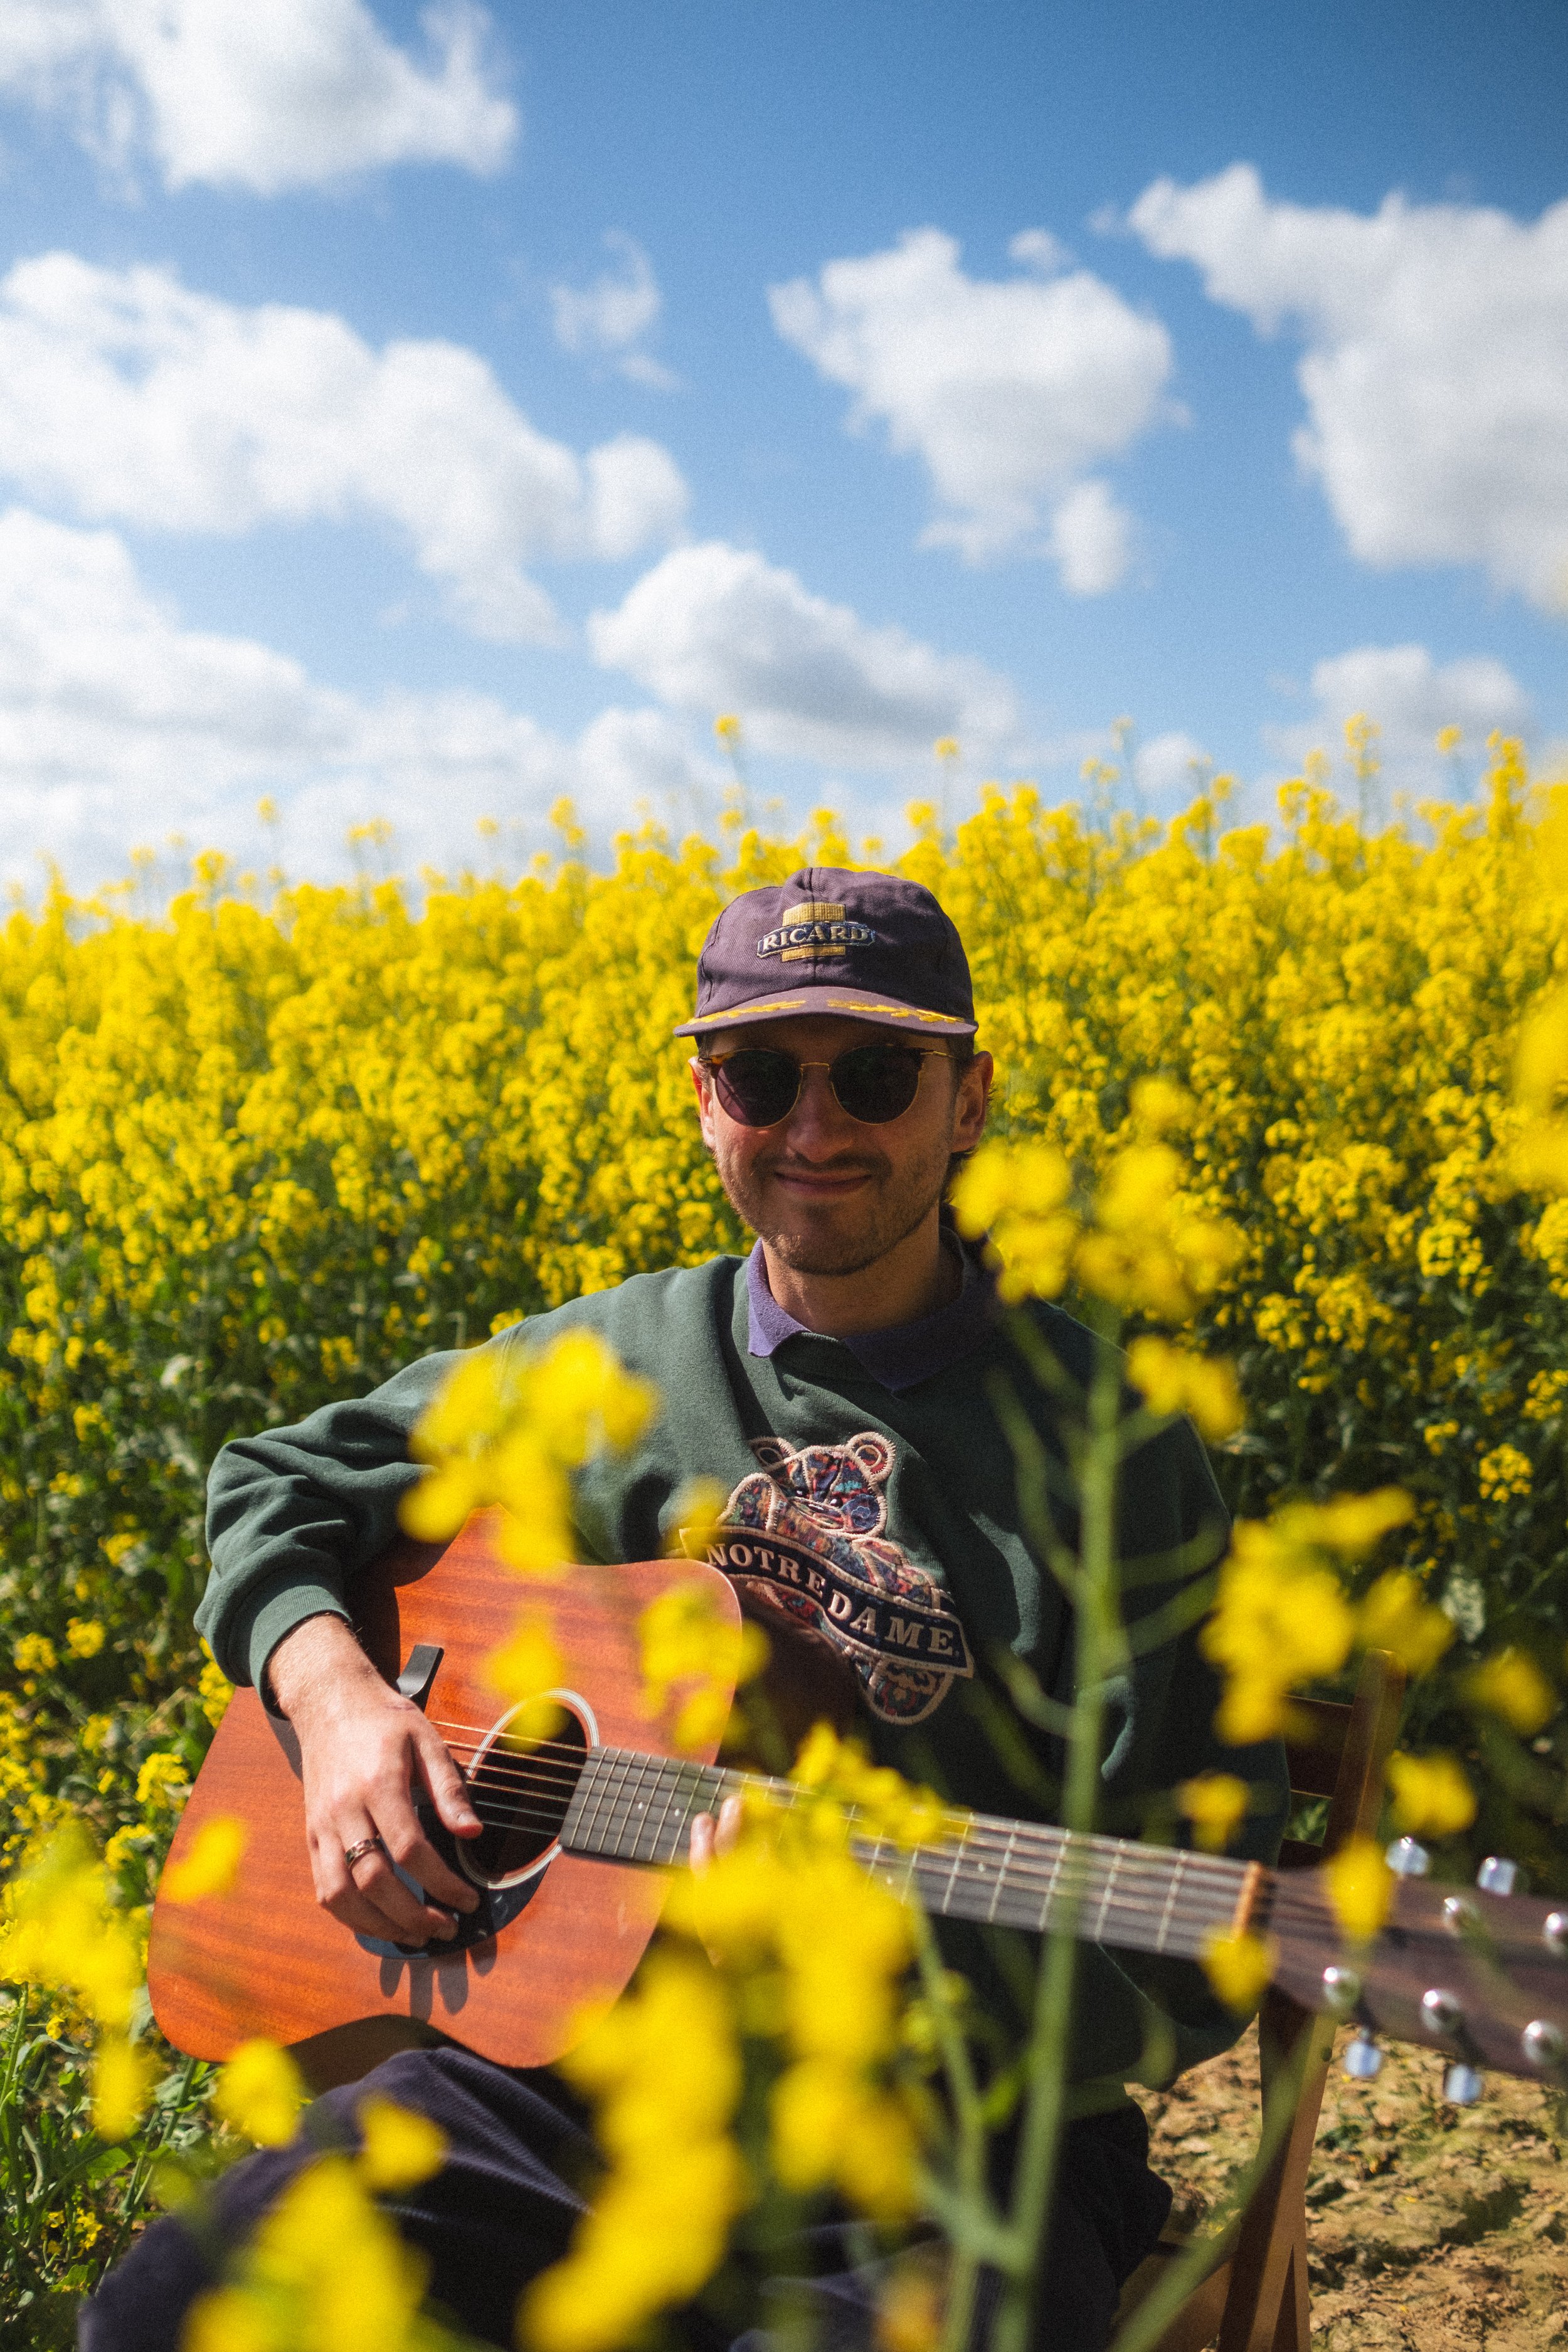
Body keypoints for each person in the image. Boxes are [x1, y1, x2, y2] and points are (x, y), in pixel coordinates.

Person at [83, 869, 1286, 2351]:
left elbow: (1192, 1930)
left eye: (875, 1076)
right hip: (569, 2080)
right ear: (704, 1100)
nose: (814, 1128)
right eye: (760, 1074)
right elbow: (279, 1481)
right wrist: (336, 1704)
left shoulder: (1112, 1452)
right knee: (169, 2316)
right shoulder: (614, 1357)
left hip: (948, 2147)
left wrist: (877, 1957)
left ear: (966, 1103)